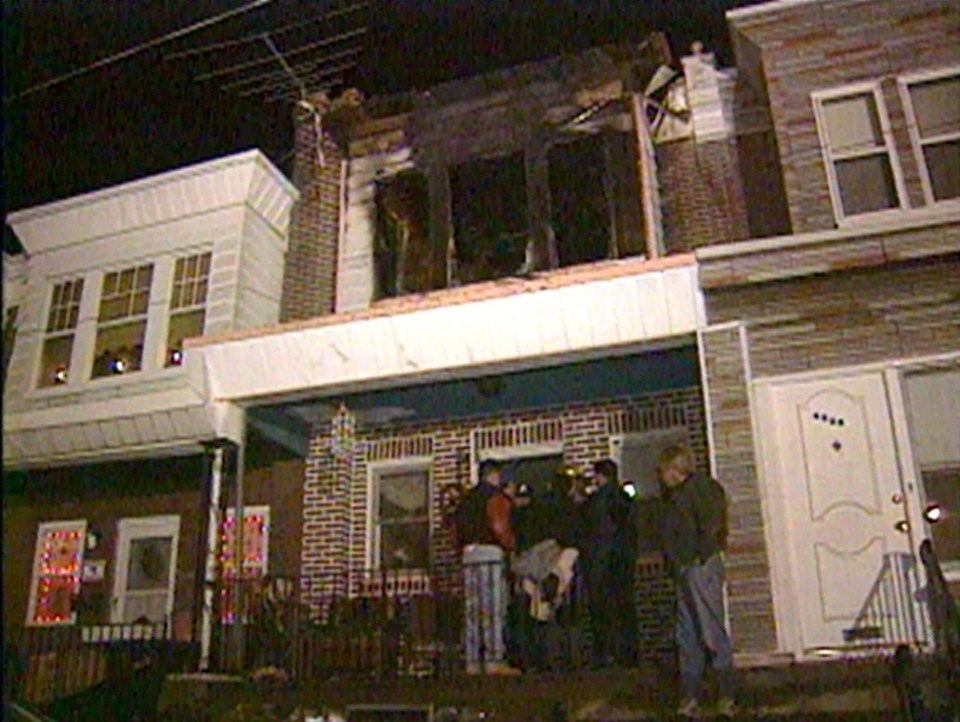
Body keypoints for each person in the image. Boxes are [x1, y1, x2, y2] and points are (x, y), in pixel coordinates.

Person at [658, 443, 735, 719]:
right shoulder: (685, 493)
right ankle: (692, 696)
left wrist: (699, 556)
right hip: (687, 566)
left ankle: (725, 695)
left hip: (697, 565)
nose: (661, 477)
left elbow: (710, 525)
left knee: (709, 629)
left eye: (663, 470)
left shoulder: (697, 491)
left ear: (673, 469)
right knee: (688, 633)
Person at [455, 460, 520, 675]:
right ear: (494, 475)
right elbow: (499, 526)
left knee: (472, 609)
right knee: (492, 607)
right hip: (489, 551)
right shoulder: (495, 497)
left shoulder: (466, 500)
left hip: (468, 554)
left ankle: (472, 661)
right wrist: (510, 545)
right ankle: (494, 659)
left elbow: (455, 530)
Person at [582, 458, 635, 667]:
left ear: (600, 476)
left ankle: (606, 653)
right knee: (624, 607)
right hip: (622, 559)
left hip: (602, 561)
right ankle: (628, 653)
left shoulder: (598, 501)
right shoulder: (624, 497)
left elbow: (592, 530)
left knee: (603, 610)